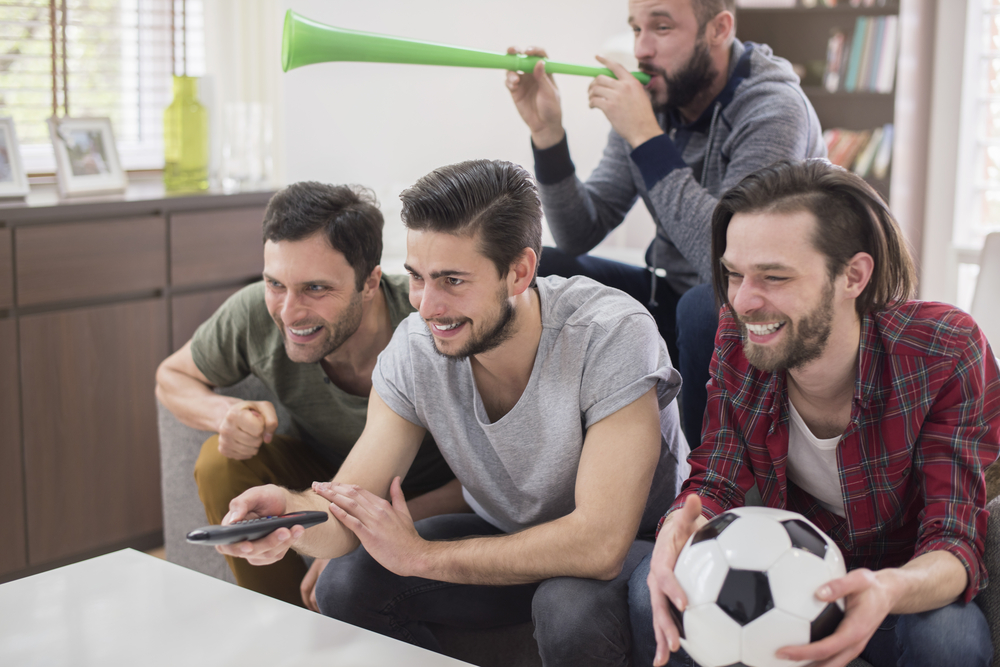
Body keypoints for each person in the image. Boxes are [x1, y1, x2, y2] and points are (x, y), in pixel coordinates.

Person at [215, 159, 690, 666]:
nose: (426, 306)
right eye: (417, 278)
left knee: (568, 610)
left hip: (635, 541)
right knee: (346, 582)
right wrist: (287, 515)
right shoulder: (415, 350)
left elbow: (598, 544)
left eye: (452, 280)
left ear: (519, 272)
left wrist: (422, 557)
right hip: (505, 533)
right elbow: (348, 509)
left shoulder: (609, 334)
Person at [631, 159, 1000, 667]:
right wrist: (679, 525)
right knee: (650, 592)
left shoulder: (945, 349)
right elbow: (715, 481)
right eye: (734, 274)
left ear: (853, 276)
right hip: (788, 584)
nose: (743, 301)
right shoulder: (739, 338)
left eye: (774, 276)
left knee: (950, 639)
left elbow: (955, 542)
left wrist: (887, 589)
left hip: (899, 585)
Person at [506, 0, 826, 445]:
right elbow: (580, 231)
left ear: (719, 29)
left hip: (757, 305)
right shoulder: (657, 101)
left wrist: (644, 136)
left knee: (703, 306)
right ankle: (552, 445)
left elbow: (732, 261)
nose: (641, 49)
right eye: (636, 29)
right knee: (537, 267)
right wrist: (548, 135)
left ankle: (703, 475)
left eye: (661, 27)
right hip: (671, 298)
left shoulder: (773, 109)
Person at [154, 182, 459, 609]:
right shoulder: (256, 314)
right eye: (275, 283)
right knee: (220, 463)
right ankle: (284, 620)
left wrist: (357, 529)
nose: (288, 312)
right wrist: (225, 413)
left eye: (315, 288)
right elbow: (171, 376)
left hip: (429, 496)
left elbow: (486, 485)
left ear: (370, 282)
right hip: (323, 479)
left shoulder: (431, 330)